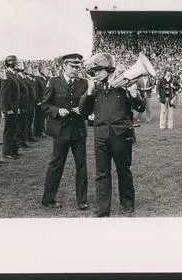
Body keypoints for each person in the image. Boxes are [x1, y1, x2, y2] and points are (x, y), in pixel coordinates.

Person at [79, 52, 145, 217]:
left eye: (99, 70)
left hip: (121, 134)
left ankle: (128, 204)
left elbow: (140, 107)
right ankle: (103, 208)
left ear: (109, 69)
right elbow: (83, 110)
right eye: (95, 71)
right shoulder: (95, 87)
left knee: (123, 170)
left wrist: (133, 93)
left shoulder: (124, 84)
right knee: (102, 172)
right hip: (101, 134)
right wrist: (89, 92)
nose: (96, 73)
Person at [41, 53, 89, 209]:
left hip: (78, 131)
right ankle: (48, 199)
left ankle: (82, 201)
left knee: (81, 166)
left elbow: (89, 105)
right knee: (56, 165)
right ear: (64, 66)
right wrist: (57, 110)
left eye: (77, 67)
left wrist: (83, 110)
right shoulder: (54, 82)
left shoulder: (84, 84)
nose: (75, 70)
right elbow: (45, 105)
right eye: (72, 67)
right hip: (61, 131)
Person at [1, 55, 21, 159]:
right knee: (9, 130)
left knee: (12, 130)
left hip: (14, 108)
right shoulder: (8, 76)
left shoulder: (12, 75)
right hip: (10, 109)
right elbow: (5, 95)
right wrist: (8, 109)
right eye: (16, 62)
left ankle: (12, 150)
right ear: (11, 63)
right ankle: (7, 152)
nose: (18, 64)